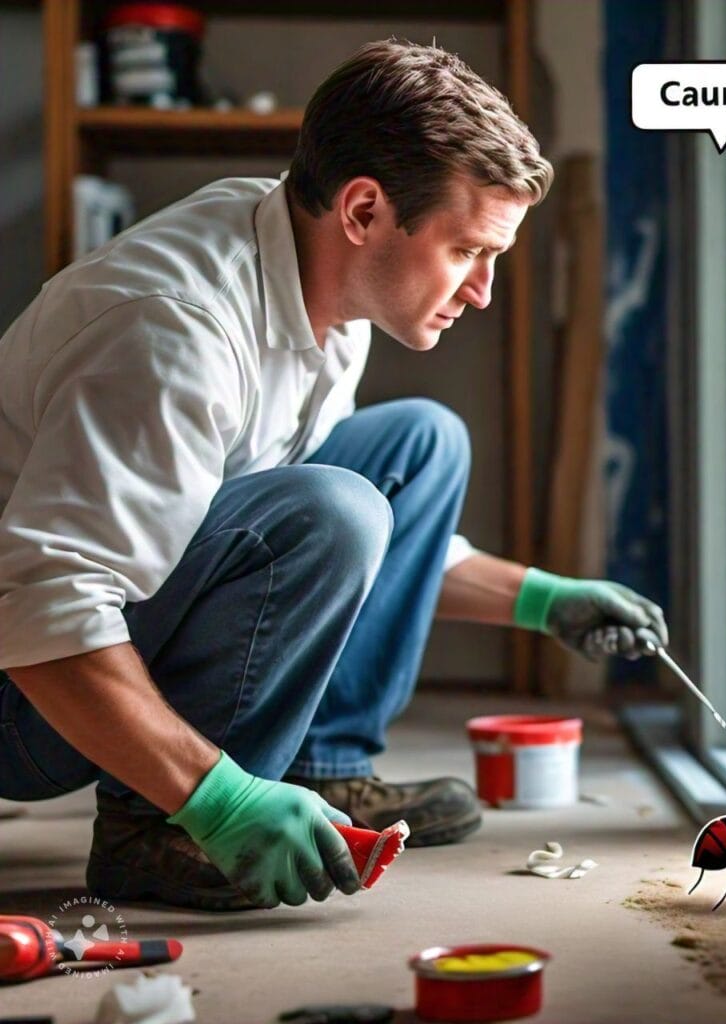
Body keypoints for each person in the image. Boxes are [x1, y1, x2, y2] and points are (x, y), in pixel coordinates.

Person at [0, 40, 668, 911]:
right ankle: (157, 828)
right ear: (363, 210)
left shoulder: (319, 280)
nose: (483, 292)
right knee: (336, 504)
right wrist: (218, 798)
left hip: (90, 631)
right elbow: (41, 606)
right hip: (25, 698)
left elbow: (355, 552)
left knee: (419, 446)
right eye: (468, 251)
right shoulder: (173, 333)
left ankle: (321, 769)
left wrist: (544, 600)